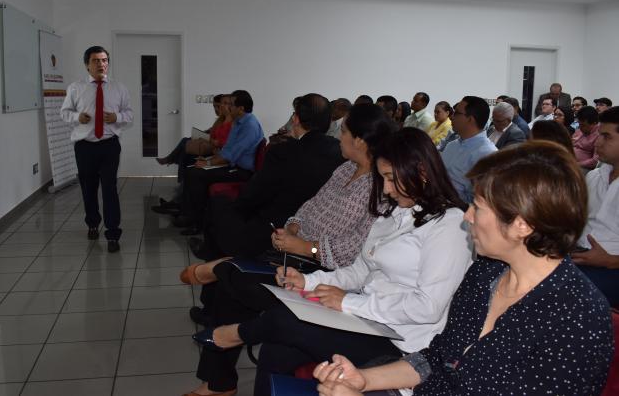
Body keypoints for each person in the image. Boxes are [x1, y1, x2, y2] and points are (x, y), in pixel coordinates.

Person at [314, 141, 614, 396]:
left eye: (478, 207)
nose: (467, 216)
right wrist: (364, 380)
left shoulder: (577, 317)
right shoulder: (486, 274)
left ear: (522, 224)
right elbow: (436, 358)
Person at [192, 128, 472, 396]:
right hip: (366, 319)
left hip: (401, 342)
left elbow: (427, 308)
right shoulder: (393, 213)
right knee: (277, 350)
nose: (386, 189)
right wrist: (308, 281)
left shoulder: (448, 225)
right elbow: (360, 270)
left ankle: (236, 334)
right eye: (383, 178)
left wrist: (348, 302)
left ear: (421, 171)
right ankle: (234, 342)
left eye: (390, 178)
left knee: (286, 321)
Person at [181, 105, 397, 396]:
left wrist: (307, 248)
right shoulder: (345, 168)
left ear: (359, 140)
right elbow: (311, 205)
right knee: (229, 290)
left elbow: (355, 250)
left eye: (344, 131)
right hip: (295, 255)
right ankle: (219, 381)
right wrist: (293, 227)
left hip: (324, 270)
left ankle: (224, 271)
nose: (338, 137)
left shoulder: (382, 186)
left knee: (237, 282)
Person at [191, 93, 345, 262]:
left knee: (219, 204)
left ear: (296, 119)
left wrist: (239, 208)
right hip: (316, 231)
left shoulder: (282, 152)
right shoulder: (341, 152)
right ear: (329, 121)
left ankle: (215, 257)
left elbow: (255, 194)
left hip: (276, 231)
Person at [60, 46, 133, 253]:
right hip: (85, 146)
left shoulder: (119, 88)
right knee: (88, 188)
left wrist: (117, 117)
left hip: (109, 145)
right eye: (96, 60)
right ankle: (92, 223)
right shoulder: (76, 88)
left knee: (110, 189)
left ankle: (113, 233)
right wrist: (77, 117)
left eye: (104, 60)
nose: (101, 64)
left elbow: (129, 114)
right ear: (87, 65)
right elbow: (64, 113)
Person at [174, 90, 264, 235]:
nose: (228, 108)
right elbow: (227, 150)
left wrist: (209, 164)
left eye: (232, 105)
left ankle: (197, 222)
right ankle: (189, 214)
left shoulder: (249, 126)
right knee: (192, 170)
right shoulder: (238, 122)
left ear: (241, 108)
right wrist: (208, 160)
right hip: (233, 166)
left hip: (243, 172)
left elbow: (230, 155)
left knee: (197, 174)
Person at [572, 106, 619, 306]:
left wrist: (610, 260)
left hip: (611, 268)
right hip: (579, 255)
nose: (598, 142)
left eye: (606, 137)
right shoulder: (595, 176)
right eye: (599, 134)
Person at [441, 96, 497, 204]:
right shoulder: (451, 146)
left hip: (460, 210)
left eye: (456, 113)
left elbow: (480, 201)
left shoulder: (488, 154)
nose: (451, 117)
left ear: (470, 119)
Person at [572, 106, 600, 172]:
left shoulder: (599, 136)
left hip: (583, 168)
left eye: (583, 125)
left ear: (594, 123)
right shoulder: (580, 130)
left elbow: (595, 161)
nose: (580, 127)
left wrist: (576, 164)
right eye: (579, 124)